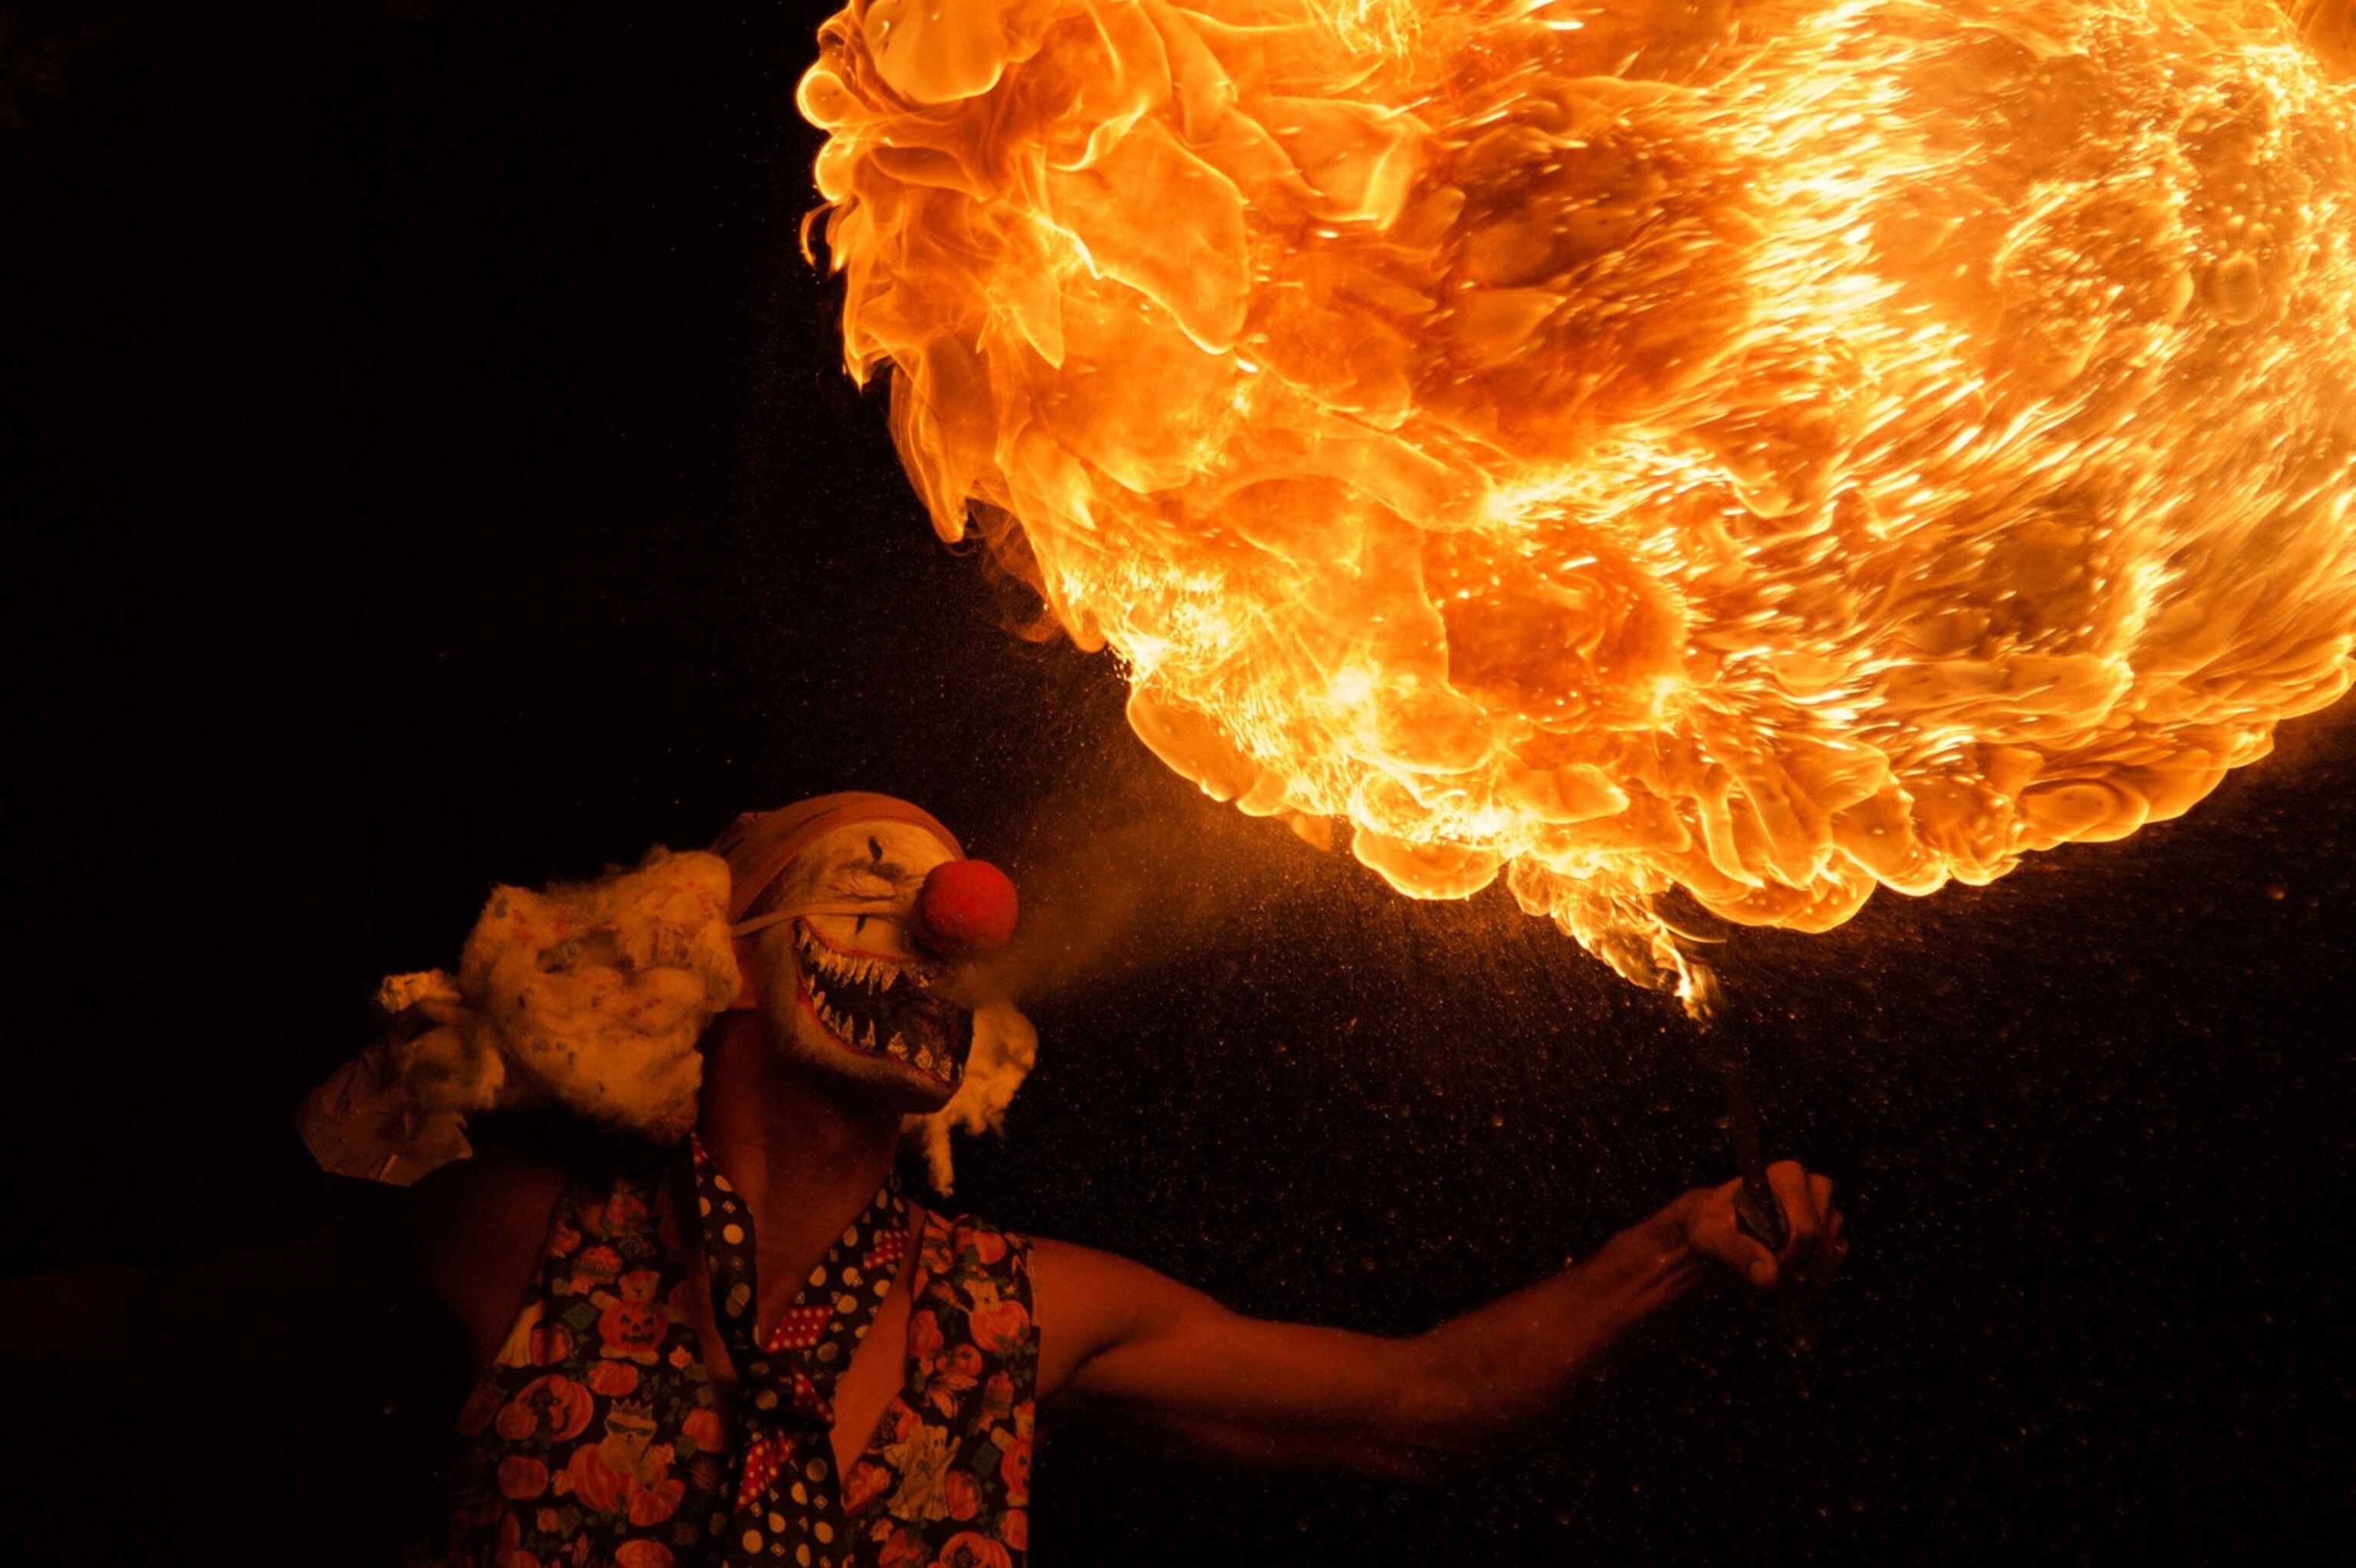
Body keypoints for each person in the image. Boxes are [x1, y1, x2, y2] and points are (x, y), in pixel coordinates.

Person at [410, 793, 1845, 1568]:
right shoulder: (510, 1238)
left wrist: (1674, 1244)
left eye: (947, 914)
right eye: (868, 889)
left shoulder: (1012, 1312)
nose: (951, 922)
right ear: (721, 954)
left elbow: (1425, 1409)